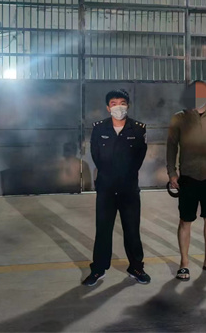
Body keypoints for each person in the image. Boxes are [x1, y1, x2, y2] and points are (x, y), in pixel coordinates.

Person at [82, 89, 150, 286]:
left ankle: (136, 267)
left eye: (122, 103)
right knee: (103, 229)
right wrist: (110, 176)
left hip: (129, 188)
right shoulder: (99, 128)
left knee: (132, 230)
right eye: (114, 103)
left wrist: (125, 175)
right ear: (108, 107)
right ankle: (98, 269)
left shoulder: (138, 129)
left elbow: (139, 157)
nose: (118, 107)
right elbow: (96, 156)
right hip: (106, 188)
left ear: (128, 106)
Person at [167, 81, 206, 281]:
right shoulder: (179, 118)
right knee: (185, 220)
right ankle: (184, 264)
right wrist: (172, 172)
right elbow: (171, 146)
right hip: (188, 177)